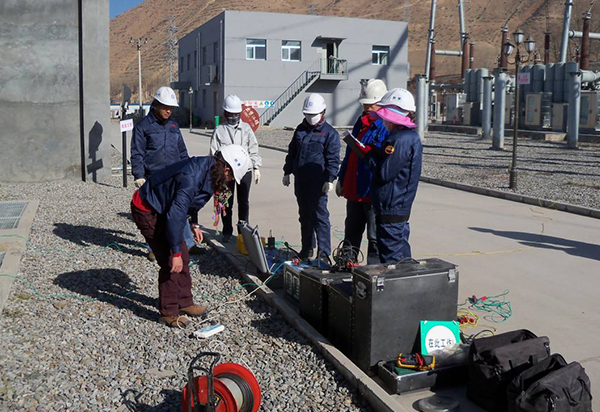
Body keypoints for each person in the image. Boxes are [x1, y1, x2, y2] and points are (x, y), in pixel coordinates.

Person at [130, 145, 251, 328]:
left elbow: (190, 203)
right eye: (232, 177)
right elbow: (175, 215)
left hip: (165, 207)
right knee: (171, 261)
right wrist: (176, 252)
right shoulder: (192, 177)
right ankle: (168, 312)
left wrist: (194, 224)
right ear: (226, 169)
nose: (230, 181)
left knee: (183, 257)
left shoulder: (211, 172)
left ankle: (185, 302)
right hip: (147, 209)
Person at [130, 86, 198, 258]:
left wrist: (189, 169)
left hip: (175, 176)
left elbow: (182, 151)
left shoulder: (173, 126)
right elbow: (137, 152)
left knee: (179, 210)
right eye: (166, 107)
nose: (169, 111)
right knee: (155, 214)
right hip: (153, 178)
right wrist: (139, 175)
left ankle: (188, 244)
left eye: (171, 108)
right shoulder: (143, 127)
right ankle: (154, 248)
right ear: (156, 105)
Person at [357, 88, 422, 263]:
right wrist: (377, 152)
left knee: (391, 260)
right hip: (396, 207)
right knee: (401, 256)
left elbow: (384, 173)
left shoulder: (399, 140)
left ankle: (399, 290)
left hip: (391, 207)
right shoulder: (406, 138)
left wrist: (367, 155)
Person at [282, 94, 340, 260]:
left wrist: (330, 179)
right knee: (305, 216)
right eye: (307, 115)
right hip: (301, 180)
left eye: (313, 115)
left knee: (320, 216)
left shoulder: (330, 134)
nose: (310, 118)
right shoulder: (300, 130)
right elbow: (292, 152)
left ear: (322, 112)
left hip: (318, 182)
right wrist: (287, 171)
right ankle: (307, 248)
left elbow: (333, 159)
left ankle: (324, 253)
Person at [336, 79, 388, 263]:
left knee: (374, 238)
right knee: (351, 233)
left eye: (370, 104)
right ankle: (347, 264)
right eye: (365, 104)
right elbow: (351, 152)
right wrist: (341, 179)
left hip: (372, 193)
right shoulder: (361, 121)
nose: (366, 108)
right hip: (355, 191)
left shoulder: (386, 126)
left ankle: (373, 275)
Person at [210, 95, 262, 243]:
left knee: (243, 202)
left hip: (244, 171)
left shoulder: (246, 129)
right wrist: (216, 173)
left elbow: (253, 148)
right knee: (227, 202)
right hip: (226, 173)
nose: (233, 117)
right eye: (230, 114)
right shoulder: (219, 130)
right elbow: (213, 152)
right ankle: (227, 231)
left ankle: (242, 231)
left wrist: (256, 166)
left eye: (236, 114)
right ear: (225, 114)